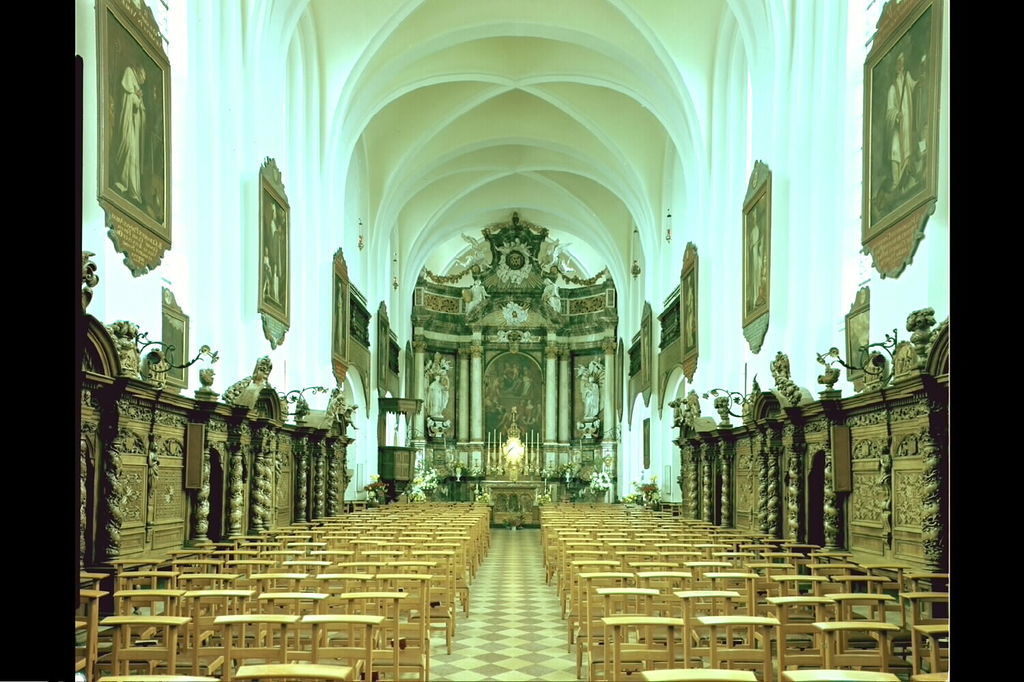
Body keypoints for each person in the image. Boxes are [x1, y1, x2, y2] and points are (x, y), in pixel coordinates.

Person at [113, 64, 147, 204]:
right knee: (127, 149)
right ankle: (123, 183)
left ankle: (133, 191)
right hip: (127, 124)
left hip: (134, 128)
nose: (142, 82)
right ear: (138, 73)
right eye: (142, 78)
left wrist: (138, 100)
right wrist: (137, 98)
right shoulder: (128, 74)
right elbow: (132, 101)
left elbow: (139, 106)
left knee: (133, 156)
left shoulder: (136, 86)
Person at [886, 52, 918, 193]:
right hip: (898, 126)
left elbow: (914, 86)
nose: (901, 66)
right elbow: (889, 111)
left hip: (907, 124)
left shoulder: (907, 78)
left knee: (907, 151)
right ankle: (896, 182)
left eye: (903, 63)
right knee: (895, 150)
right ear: (895, 66)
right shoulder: (892, 89)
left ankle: (905, 181)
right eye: (899, 63)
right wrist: (896, 115)